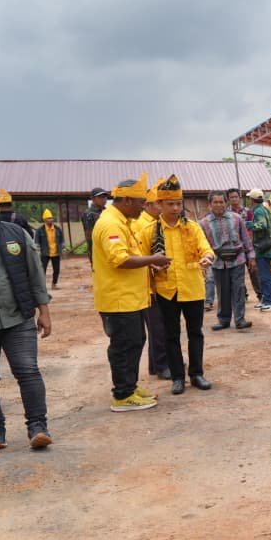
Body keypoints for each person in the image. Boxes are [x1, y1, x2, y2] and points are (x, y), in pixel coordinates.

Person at [92, 176, 172, 412]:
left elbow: (130, 255)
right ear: (126, 200)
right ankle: (123, 395)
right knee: (124, 346)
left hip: (130, 298)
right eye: (140, 202)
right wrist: (152, 259)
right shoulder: (111, 224)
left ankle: (130, 387)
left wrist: (149, 263)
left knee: (135, 342)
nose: (143, 207)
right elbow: (120, 259)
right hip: (119, 299)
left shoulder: (123, 220)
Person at [136, 176, 214, 395]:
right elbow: (142, 260)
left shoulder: (193, 227)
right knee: (171, 335)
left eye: (179, 203)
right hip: (166, 290)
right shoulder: (149, 231)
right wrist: (151, 265)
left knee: (195, 333)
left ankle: (196, 374)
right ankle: (178, 377)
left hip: (192, 287)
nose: (176, 208)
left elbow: (206, 249)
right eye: (170, 204)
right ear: (159, 204)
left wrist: (207, 257)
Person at [0, 215, 52, 448]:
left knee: (28, 371)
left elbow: (35, 273)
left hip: (18, 316)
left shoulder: (16, 234)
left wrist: (44, 311)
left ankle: (38, 427)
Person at [200, 190, 256, 331]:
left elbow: (246, 239)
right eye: (215, 202)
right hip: (217, 262)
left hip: (238, 260)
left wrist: (251, 257)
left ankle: (240, 320)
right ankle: (224, 320)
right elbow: (202, 244)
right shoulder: (203, 223)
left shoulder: (236, 218)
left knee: (239, 289)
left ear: (226, 203)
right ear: (210, 204)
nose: (219, 205)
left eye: (221, 202)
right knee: (222, 291)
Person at [137, 185, 170, 380]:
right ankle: (162, 364)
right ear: (148, 205)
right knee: (158, 327)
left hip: (158, 283)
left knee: (160, 325)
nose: (162, 207)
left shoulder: (156, 222)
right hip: (148, 285)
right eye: (160, 203)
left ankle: (156, 364)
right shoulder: (143, 225)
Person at [246, 188, 271, 312]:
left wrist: (249, 225)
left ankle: (270, 302)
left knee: (265, 276)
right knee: (263, 275)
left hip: (263, 248)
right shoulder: (265, 209)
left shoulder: (258, 210)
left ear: (252, 199)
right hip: (267, 246)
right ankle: (265, 300)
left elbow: (262, 225)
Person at [34, 209, 64, 288]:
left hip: (56, 252)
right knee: (42, 270)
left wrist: (62, 247)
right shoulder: (40, 230)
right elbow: (36, 241)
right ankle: (42, 285)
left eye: (51, 218)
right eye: (48, 218)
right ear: (44, 220)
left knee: (56, 270)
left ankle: (54, 284)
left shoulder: (57, 229)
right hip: (45, 253)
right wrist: (37, 249)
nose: (51, 219)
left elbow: (62, 240)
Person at [82, 187, 110, 264]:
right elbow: (90, 236)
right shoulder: (88, 214)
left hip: (108, 246)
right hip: (96, 249)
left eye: (105, 197)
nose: (104, 199)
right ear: (93, 199)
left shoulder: (107, 212)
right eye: (100, 197)